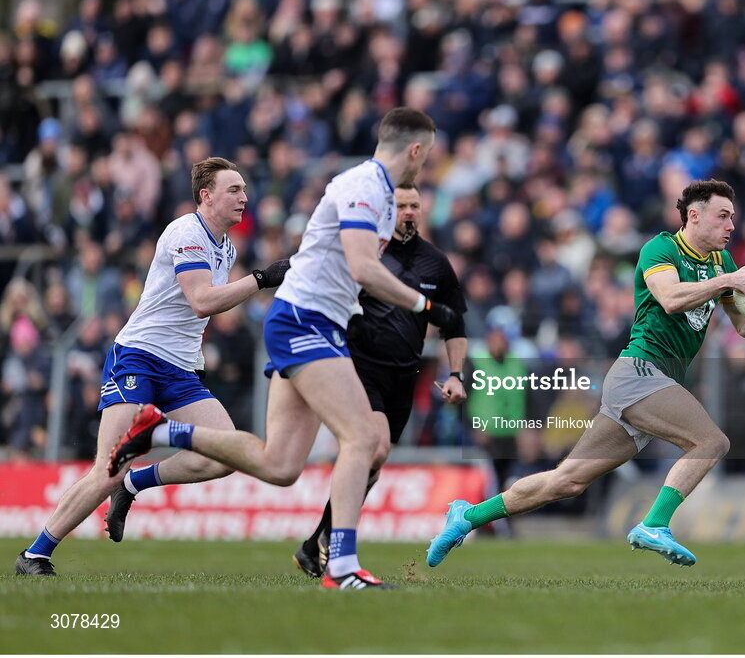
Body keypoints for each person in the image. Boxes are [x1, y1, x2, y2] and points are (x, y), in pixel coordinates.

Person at [108, 108, 455, 590]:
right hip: (304, 321)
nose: (426, 163)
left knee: (281, 466)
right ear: (416, 149)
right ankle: (341, 567)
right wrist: (426, 306)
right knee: (363, 438)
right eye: (428, 153)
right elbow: (360, 266)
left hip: (312, 321)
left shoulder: (374, 191)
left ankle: (160, 434)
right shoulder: (368, 186)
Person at [425, 179, 745, 568]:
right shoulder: (662, 248)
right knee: (711, 442)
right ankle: (655, 523)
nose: (731, 226)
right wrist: (726, 282)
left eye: (733, 218)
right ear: (694, 216)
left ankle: (467, 516)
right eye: (723, 216)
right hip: (638, 373)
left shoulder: (721, 263)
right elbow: (670, 299)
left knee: (566, 481)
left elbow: (742, 326)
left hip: (655, 382)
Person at [15, 157, 290, 576]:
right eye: (234, 190)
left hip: (180, 370)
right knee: (109, 464)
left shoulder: (226, 246)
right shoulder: (186, 232)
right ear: (206, 196)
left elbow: (205, 309)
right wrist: (263, 278)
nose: (244, 198)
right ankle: (34, 554)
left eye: (244, 189)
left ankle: (134, 484)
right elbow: (201, 301)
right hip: (140, 357)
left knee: (224, 455)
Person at [291, 183, 468, 578]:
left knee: (376, 455)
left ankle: (316, 542)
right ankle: (339, 552)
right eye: (401, 205)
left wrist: (454, 373)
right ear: (389, 210)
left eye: (414, 205)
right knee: (374, 443)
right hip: (358, 366)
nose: (408, 211)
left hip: (404, 375)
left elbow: (455, 323)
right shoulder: (368, 251)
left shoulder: (436, 263)